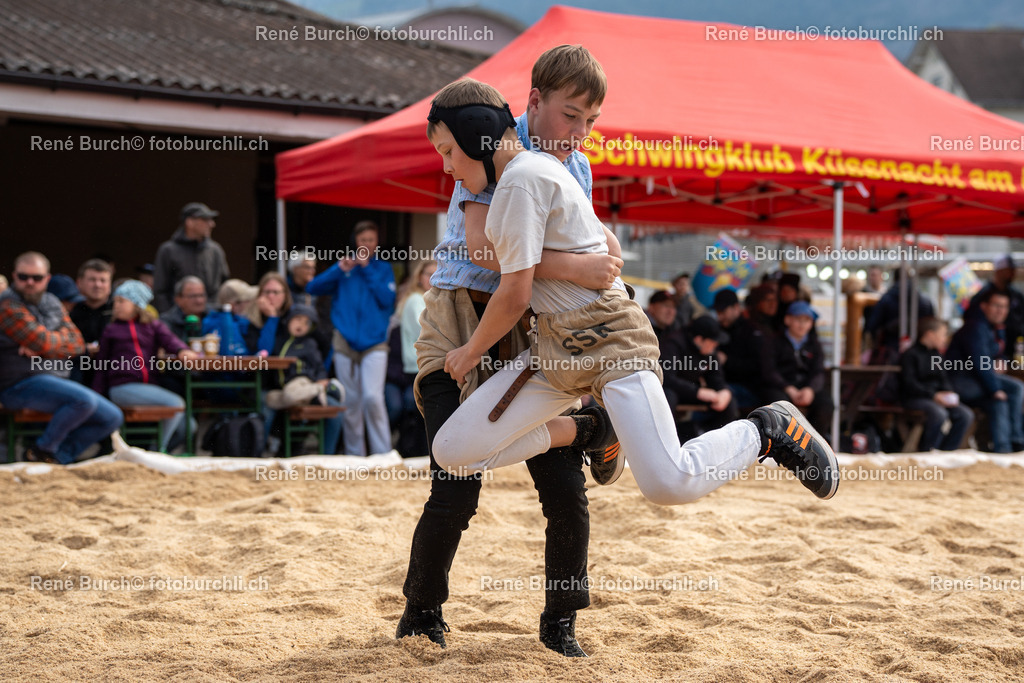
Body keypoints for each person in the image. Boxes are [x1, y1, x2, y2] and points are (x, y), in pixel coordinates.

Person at [426, 78, 837, 628]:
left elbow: (515, 290)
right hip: (556, 350)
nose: (448, 168)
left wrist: (469, 351)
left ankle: (767, 430)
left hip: (611, 340)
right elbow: (595, 250)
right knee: (454, 449)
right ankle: (590, 430)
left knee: (669, 481)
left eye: (449, 151)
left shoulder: (524, 178)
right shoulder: (521, 179)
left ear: (477, 139)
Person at [398, 47, 627, 659]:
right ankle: (421, 613)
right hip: (456, 327)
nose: (581, 134)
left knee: (563, 492)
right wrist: (579, 264)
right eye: (572, 116)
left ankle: (561, 624)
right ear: (533, 104)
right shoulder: (486, 142)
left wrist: (599, 257)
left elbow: (597, 246)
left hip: (523, 334)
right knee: (454, 480)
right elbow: (483, 253)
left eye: (590, 122)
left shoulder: (568, 163)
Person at [0, 252, 122, 464]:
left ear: (47, 278)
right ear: (14, 276)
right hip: (18, 384)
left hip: (53, 380)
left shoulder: (51, 301)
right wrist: (51, 343)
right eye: (23, 277)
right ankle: (41, 450)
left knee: (112, 417)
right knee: (83, 401)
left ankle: (57, 457)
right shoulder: (7, 304)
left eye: (37, 277)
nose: (30, 282)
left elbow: (77, 344)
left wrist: (46, 345)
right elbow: (44, 342)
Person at [307, 221, 396, 457]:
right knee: (352, 401)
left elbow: (387, 299)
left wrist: (366, 269)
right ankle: (355, 456)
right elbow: (313, 288)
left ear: (377, 243)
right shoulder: (345, 267)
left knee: (372, 397)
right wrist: (339, 269)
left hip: (374, 342)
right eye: (362, 239)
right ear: (355, 241)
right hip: (345, 341)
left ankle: (383, 454)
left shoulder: (383, 268)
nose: (366, 244)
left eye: (371, 239)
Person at [92, 280, 198, 452]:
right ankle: (158, 451)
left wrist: (182, 350)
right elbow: (101, 365)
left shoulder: (152, 326)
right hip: (122, 387)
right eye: (115, 301)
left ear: (136, 304)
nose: (116, 306)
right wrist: (98, 395)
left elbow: (169, 340)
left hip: (148, 388)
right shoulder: (112, 330)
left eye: (121, 301)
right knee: (175, 403)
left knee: (188, 425)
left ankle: (154, 450)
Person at [945, 290, 1024, 453]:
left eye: (1004, 306)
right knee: (1015, 388)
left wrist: (1002, 359)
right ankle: (1017, 440)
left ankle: (1004, 448)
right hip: (962, 382)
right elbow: (979, 363)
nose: (1001, 310)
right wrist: (994, 389)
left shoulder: (993, 328)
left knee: (999, 402)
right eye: (996, 305)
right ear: (984, 306)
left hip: (975, 380)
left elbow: (994, 355)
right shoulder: (975, 327)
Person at [262, 303, 345, 454]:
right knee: (271, 401)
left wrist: (321, 380)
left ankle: (327, 457)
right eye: (298, 319)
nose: (301, 324)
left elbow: (319, 366)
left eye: (307, 322)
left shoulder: (309, 344)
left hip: (305, 384)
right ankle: (314, 392)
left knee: (335, 412)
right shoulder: (278, 340)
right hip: (285, 387)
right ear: (289, 319)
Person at [759, 301, 834, 437]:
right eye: (798, 319)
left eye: (806, 320)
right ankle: (781, 446)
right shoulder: (773, 341)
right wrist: (787, 387)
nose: (802, 324)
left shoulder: (814, 344)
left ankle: (814, 443)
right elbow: (769, 371)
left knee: (826, 404)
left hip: (806, 387)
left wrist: (810, 389)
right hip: (780, 387)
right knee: (778, 406)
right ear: (788, 320)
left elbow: (818, 371)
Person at [898, 318, 974, 451]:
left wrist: (948, 393)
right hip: (915, 398)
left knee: (965, 414)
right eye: (943, 334)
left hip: (936, 398)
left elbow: (944, 379)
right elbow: (910, 384)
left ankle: (948, 450)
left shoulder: (937, 356)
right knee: (938, 413)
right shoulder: (910, 355)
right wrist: (933, 395)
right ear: (930, 334)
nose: (945, 339)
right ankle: (928, 449)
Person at [386, 259, 435, 458]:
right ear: (419, 277)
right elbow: (424, 331)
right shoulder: (416, 299)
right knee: (418, 410)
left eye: (436, 274)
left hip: (421, 366)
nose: (432, 279)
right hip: (418, 367)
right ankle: (413, 453)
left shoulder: (428, 298)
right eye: (428, 274)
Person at [153, 202, 230, 312]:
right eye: (205, 220)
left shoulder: (215, 251)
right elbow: (160, 290)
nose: (212, 224)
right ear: (189, 222)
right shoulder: (168, 251)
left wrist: (214, 313)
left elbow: (223, 286)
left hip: (209, 317)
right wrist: (169, 319)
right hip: (177, 319)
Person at [716, 288, 764, 412]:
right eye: (717, 312)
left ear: (736, 307)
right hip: (721, 384)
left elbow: (758, 366)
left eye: (723, 311)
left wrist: (727, 361)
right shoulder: (717, 330)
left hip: (748, 389)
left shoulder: (752, 331)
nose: (720, 316)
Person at [966, 254, 1024, 347]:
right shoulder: (982, 295)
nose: (1001, 311)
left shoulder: (1016, 295)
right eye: (1008, 270)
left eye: (1005, 307)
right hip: (987, 344)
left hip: (1013, 345)